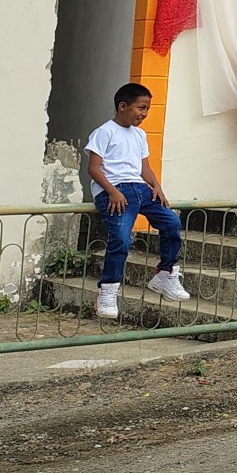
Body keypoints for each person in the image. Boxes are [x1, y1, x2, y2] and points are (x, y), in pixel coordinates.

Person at [84, 83, 190, 320]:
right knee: (121, 239)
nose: (144, 113)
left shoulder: (140, 135)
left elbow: (144, 168)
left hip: (141, 188)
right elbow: (94, 168)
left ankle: (165, 274)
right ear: (123, 106)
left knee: (171, 222)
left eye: (147, 109)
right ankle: (108, 290)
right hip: (116, 191)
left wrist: (156, 186)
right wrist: (112, 191)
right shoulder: (104, 132)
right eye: (141, 108)